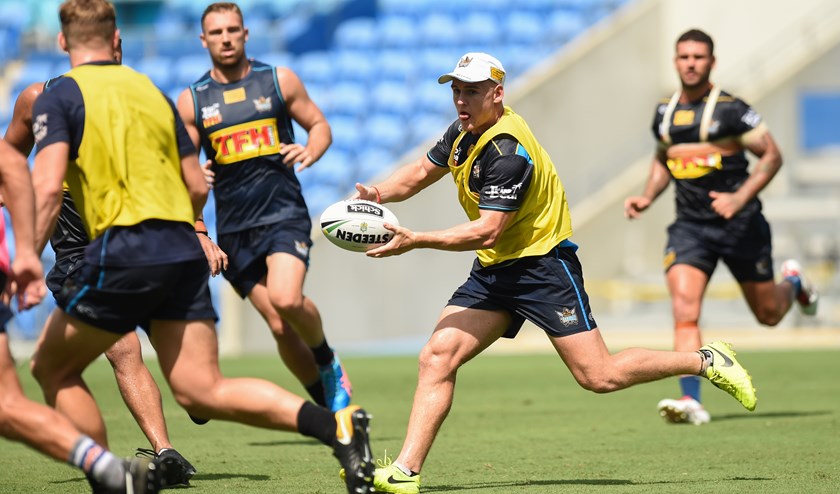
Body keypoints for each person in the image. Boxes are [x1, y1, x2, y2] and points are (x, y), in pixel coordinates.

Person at [343, 52, 757, 494]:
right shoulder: (464, 131)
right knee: (437, 355)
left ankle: (707, 360)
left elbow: (487, 229)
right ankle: (406, 472)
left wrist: (415, 239)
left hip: (542, 267)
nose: (460, 100)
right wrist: (377, 193)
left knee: (599, 376)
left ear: (496, 94)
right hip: (495, 270)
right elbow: (422, 171)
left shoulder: (507, 152)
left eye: (472, 92)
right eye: (456, 91)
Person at [27, 1, 373, 493]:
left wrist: (23, 256)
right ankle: (336, 426)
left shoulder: (56, 96)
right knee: (201, 390)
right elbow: (194, 183)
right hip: (178, 250)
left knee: (52, 367)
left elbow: (45, 187)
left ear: (63, 43)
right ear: (116, 41)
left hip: (122, 248)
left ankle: (110, 479)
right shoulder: (155, 95)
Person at [4, 38, 198, 487]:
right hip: (78, 253)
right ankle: (163, 452)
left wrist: (199, 231)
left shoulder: (139, 99)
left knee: (195, 383)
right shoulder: (41, 96)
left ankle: (197, 399)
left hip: (139, 243)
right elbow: (11, 157)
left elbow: (179, 176)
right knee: (123, 348)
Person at [623, 29, 818, 426]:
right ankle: (691, 400)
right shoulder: (664, 112)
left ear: (711, 62)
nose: (690, 63)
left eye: (698, 57)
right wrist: (647, 195)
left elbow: (772, 155)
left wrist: (738, 197)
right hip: (690, 230)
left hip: (740, 226)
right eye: (683, 57)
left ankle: (794, 284)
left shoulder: (731, 109)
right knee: (684, 310)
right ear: (675, 62)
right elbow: (664, 158)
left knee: (768, 314)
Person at [177, 1, 351, 412]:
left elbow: (320, 124)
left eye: (232, 30)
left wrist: (312, 149)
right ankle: (328, 409)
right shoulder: (193, 101)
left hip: (283, 215)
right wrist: (200, 229)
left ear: (245, 33)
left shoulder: (278, 80)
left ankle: (328, 362)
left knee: (286, 299)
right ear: (203, 39)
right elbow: (184, 179)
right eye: (216, 32)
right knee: (278, 324)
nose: (226, 38)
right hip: (235, 231)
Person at [0, 137, 164, 493]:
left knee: (22, 391)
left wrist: (24, 258)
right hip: (83, 266)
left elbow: (12, 168)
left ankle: (126, 460)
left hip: (116, 262)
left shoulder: (101, 152)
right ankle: (120, 463)